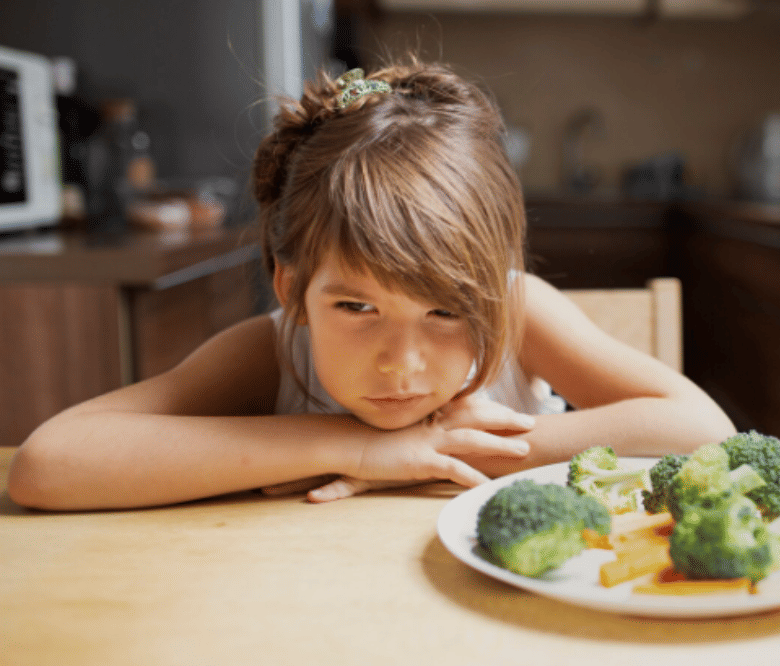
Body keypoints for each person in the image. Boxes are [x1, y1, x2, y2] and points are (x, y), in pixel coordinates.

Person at [8, 59, 735, 511]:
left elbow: (706, 430)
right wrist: (348, 445)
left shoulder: (519, 309)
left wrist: (456, 445)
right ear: (289, 286)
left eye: (447, 310)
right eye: (356, 306)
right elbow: (48, 465)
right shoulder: (274, 351)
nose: (402, 363)